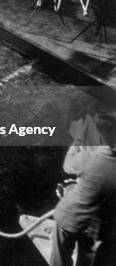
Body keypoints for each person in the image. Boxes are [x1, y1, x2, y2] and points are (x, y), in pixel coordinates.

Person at [51, 113, 116, 266]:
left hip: (69, 219)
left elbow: (67, 166)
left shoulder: (91, 155)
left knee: (60, 259)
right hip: (96, 228)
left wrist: (78, 140)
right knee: (85, 261)